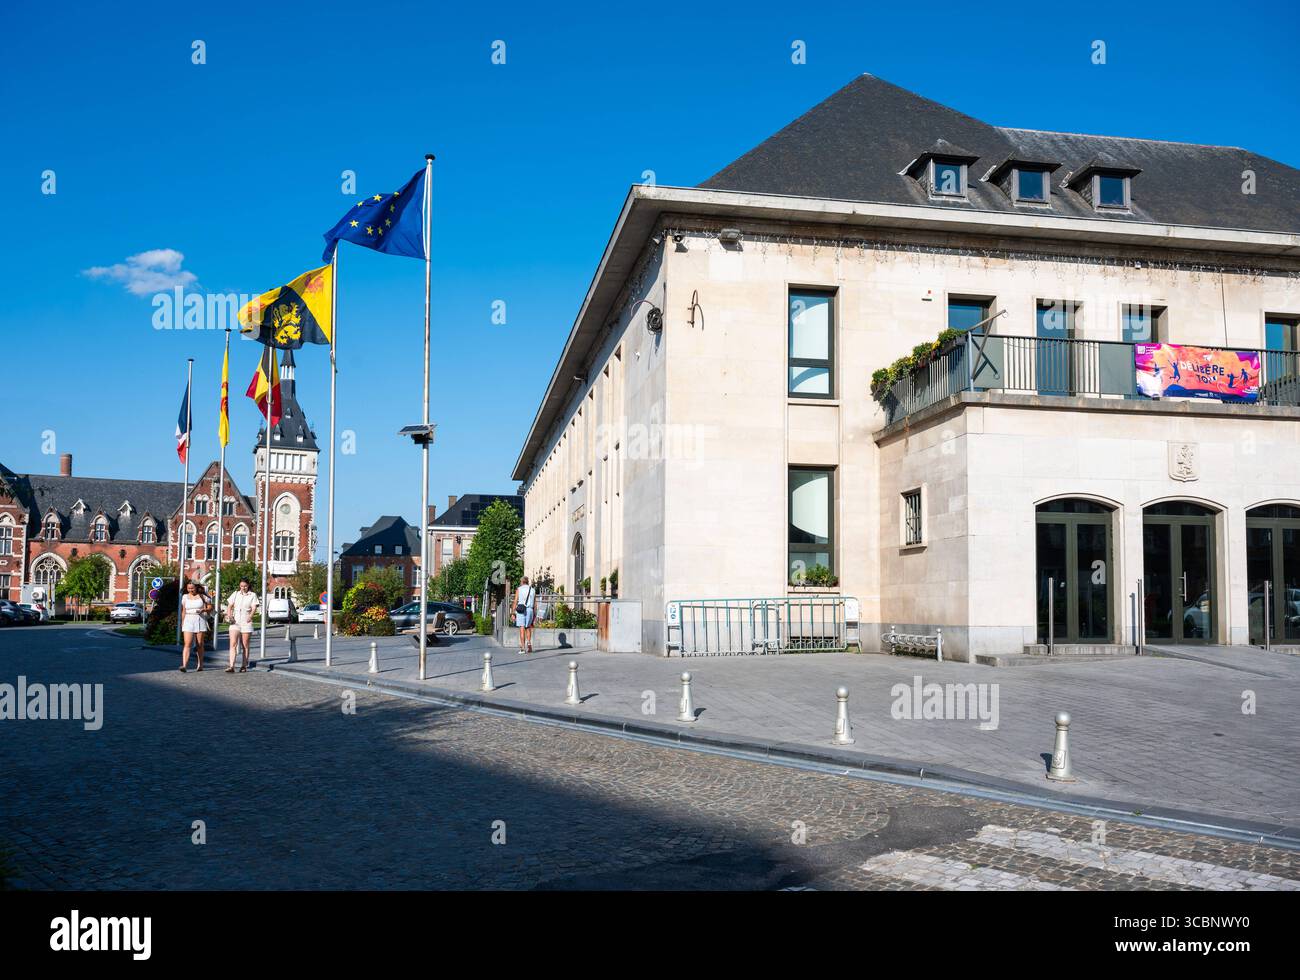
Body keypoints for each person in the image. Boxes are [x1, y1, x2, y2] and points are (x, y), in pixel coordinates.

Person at [224, 578, 259, 673]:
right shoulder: (235, 594)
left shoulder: (252, 595)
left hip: (246, 620)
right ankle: (231, 666)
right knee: (233, 643)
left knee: (245, 644)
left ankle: (244, 665)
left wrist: (250, 616)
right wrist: (229, 615)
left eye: (245, 586)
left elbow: (254, 607)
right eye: (241, 586)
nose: (243, 588)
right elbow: (230, 606)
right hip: (235, 621)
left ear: (248, 586)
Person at [179, 581, 212, 672]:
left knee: (199, 644)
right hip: (188, 620)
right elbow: (184, 611)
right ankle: (184, 665)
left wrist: (203, 609)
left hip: (199, 619)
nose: (190, 590)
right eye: (188, 588)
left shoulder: (202, 596)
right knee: (187, 643)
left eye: (192, 588)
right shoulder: (185, 597)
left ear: (196, 587)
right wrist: (182, 622)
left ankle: (200, 664)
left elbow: (210, 607)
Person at [515, 577, 535, 654]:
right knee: (528, 627)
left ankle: (523, 648)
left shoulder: (519, 589)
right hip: (530, 610)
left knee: (522, 628)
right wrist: (534, 613)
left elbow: (516, 601)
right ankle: (529, 643)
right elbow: (535, 603)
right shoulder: (532, 590)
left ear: (522, 581)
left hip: (521, 609)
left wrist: (513, 612)